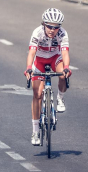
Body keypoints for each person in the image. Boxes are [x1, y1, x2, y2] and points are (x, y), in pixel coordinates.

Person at [24, 8, 72, 146]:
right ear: (44, 24)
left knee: (63, 74)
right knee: (37, 94)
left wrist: (67, 67)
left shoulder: (63, 34)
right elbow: (31, 53)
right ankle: (35, 131)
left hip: (54, 58)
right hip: (39, 60)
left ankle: (60, 99)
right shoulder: (37, 32)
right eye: (49, 26)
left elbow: (65, 54)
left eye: (56, 27)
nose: (52, 30)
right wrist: (28, 68)